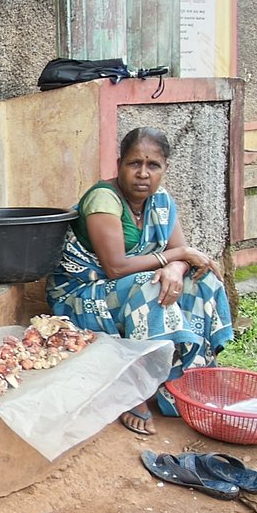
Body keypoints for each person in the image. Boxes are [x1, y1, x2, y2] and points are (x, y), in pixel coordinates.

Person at [46, 126, 233, 435]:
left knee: (204, 281)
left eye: (152, 165)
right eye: (135, 163)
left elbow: (182, 258)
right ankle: (135, 389)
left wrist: (176, 267)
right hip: (79, 294)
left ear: (164, 169)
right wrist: (177, 256)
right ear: (120, 164)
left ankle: (179, 380)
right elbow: (116, 267)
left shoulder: (161, 201)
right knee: (151, 286)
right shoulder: (103, 200)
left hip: (125, 288)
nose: (143, 173)